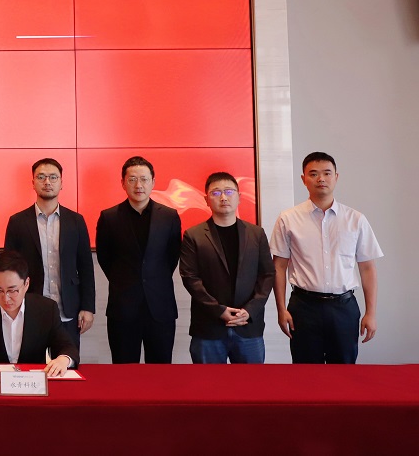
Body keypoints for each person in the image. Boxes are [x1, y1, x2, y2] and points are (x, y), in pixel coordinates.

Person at [271, 152, 383, 364]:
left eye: (326, 173)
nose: (320, 179)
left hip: (344, 307)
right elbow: (279, 267)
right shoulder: (288, 219)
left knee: (343, 372)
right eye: (313, 174)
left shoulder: (355, 219)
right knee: (306, 373)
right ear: (304, 179)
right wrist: (280, 309)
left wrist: (371, 313)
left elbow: (367, 268)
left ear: (336, 177)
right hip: (303, 307)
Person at [179, 172, 274, 363]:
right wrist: (218, 310)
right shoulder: (194, 235)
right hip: (209, 328)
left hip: (248, 326)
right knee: (208, 382)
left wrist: (250, 310)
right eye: (216, 193)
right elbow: (190, 278)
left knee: (251, 381)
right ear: (206, 200)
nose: (223, 197)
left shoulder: (256, 234)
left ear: (239, 196)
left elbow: (267, 274)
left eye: (229, 192)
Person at [95, 156, 181, 363]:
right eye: (132, 179)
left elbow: (172, 256)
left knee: (161, 371)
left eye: (144, 179)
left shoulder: (169, 216)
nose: (138, 185)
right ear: (123, 183)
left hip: (160, 308)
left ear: (153, 181)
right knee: (124, 371)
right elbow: (105, 258)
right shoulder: (109, 217)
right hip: (123, 308)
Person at [4, 157, 95, 348]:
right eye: (41, 177)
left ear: (61, 183)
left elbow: (86, 267)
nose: (47, 182)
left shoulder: (76, 221)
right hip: (29, 308)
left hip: (68, 310)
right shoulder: (18, 221)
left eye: (53, 177)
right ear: (33, 182)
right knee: (32, 363)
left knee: (68, 360)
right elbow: (10, 270)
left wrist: (88, 307)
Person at [0, 250, 78, 377]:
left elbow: (67, 346)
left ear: (26, 284)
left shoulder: (46, 309)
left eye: (12, 290)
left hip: (32, 381)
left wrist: (63, 359)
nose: (6, 298)